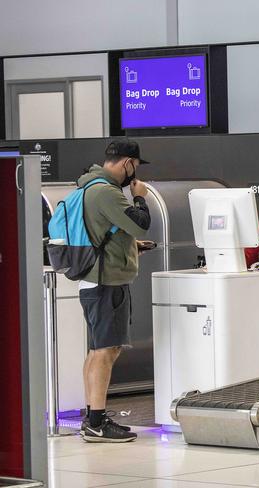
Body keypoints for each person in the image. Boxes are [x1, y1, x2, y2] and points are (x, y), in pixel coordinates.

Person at [79, 140, 152, 443]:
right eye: (134, 167)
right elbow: (140, 224)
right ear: (127, 163)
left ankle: (91, 416)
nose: (134, 174)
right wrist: (139, 198)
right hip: (107, 281)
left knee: (98, 350)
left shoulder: (87, 187)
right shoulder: (106, 192)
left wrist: (129, 248)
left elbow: (106, 232)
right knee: (107, 351)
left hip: (94, 278)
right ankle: (97, 421)